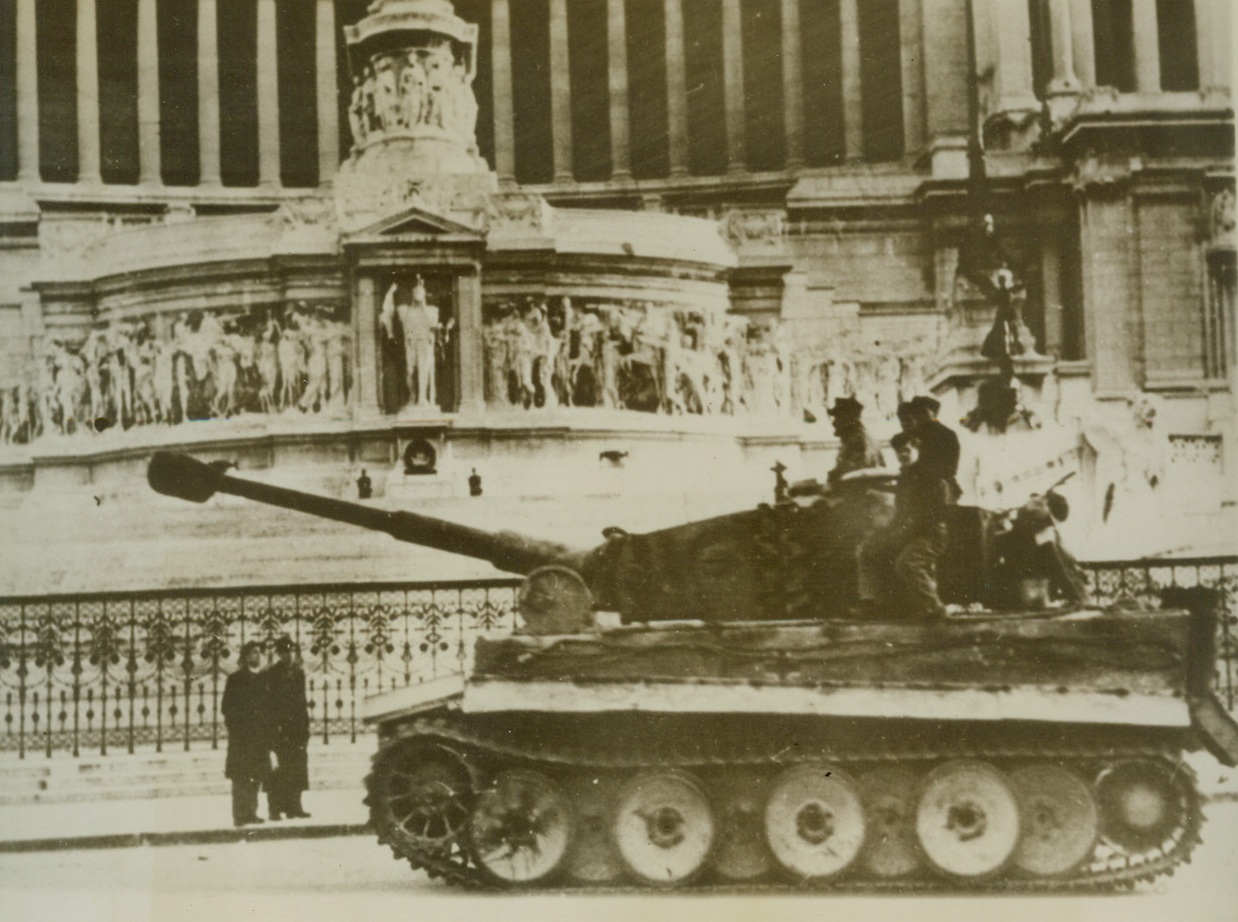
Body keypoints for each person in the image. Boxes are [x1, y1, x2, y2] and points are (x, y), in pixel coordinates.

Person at [856, 433, 950, 619]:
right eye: (899, 452)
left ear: (918, 450)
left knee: (908, 563)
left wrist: (901, 534)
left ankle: (934, 608)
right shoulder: (905, 477)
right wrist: (887, 533)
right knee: (869, 549)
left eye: (907, 450)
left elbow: (931, 516)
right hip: (909, 532)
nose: (902, 455)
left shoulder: (931, 477)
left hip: (930, 534)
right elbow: (901, 514)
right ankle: (874, 603)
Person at [221, 641, 270, 827]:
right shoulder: (235, 679)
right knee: (241, 777)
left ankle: (251, 812)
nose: (256, 656)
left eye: (259, 652)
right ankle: (239, 815)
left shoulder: (264, 678)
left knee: (256, 775)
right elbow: (227, 707)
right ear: (245, 656)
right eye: (253, 652)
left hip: (259, 737)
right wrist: (237, 727)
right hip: (241, 737)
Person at [265, 635, 311, 821]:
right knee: (278, 770)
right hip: (279, 727)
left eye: (290, 651)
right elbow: (269, 703)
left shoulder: (298, 673)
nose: (288, 655)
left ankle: (295, 807)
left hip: (296, 727)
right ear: (278, 653)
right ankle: (275, 809)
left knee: (297, 768)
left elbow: (302, 701)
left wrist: (305, 727)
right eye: (284, 652)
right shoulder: (272, 673)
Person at [901, 396, 961, 502]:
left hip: (937, 487)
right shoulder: (917, 434)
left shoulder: (944, 434)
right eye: (916, 412)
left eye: (922, 412)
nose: (918, 416)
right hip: (924, 486)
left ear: (932, 413)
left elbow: (950, 464)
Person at [826, 397, 885, 486]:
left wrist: (833, 478)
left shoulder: (858, 441)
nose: (834, 423)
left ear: (849, 419)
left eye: (838, 417)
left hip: (865, 494)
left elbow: (852, 474)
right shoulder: (856, 437)